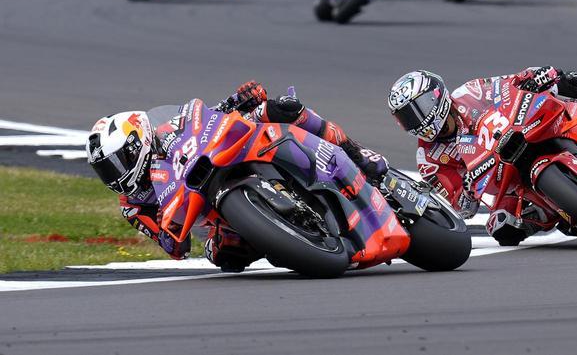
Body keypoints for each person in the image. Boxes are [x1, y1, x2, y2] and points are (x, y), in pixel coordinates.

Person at [85, 82, 389, 272]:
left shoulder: (165, 129)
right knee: (225, 258)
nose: (115, 175)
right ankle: (294, 238)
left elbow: (204, 119)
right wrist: (168, 227)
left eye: (117, 163)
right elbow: (176, 248)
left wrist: (239, 99)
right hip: (218, 215)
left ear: (138, 142)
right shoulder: (133, 206)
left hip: (227, 153)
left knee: (282, 108)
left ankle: (356, 153)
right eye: (106, 170)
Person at [388, 66, 577, 246]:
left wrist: (537, 75)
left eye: (418, 108)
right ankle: (572, 213)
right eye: (406, 117)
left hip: (528, 129)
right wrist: (468, 190)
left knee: (572, 87)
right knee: (502, 228)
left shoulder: (470, 92)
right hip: (508, 178)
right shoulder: (429, 159)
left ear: (436, 96)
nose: (416, 120)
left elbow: (510, 84)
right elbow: (460, 207)